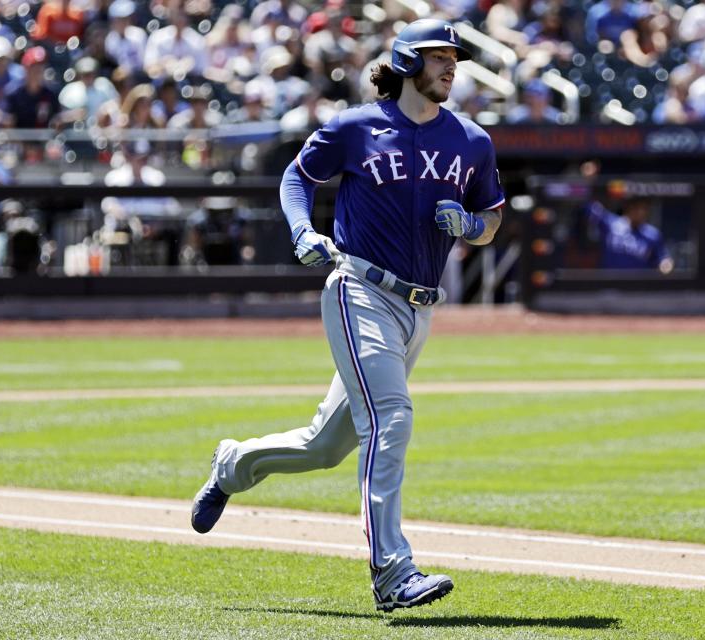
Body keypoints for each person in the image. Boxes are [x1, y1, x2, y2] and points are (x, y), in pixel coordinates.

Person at [190, 18, 505, 612]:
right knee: (392, 418)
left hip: (420, 309)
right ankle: (392, 571)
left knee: (324, 446)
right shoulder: (357, 126)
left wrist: (470, 226)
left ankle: (233, 464)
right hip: (359, 290)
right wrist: (302, 229)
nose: (451, 66)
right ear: (408, 62)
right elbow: (296, 178)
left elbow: (491, 218)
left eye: (454, 57)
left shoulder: (471, 139)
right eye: (439, 55)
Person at [588, 196, 673, 273]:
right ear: (628, 208)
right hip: (608, 283)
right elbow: (589, 206)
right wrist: (588, 181)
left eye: (644, 209)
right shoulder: (610, 223)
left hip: (637, 286)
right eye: (636, 208)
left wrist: (665, 265)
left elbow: (663, 259)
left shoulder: (653, 235)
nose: (640, 212)